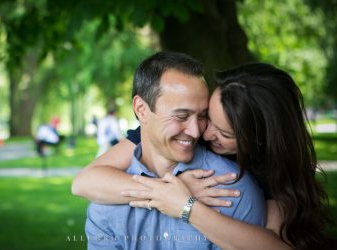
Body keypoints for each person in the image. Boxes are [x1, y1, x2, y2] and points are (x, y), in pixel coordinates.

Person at [72, 62, 333, 249]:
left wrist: (187, 207)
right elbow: (84, 182)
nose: (202, 134)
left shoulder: (270, 173)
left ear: (260, 139)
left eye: (224, 133)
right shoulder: (169, 129)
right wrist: (168, 188)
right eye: (209, 117)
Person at [76, 51, 266, 249]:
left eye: (202, 116)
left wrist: (185, 205)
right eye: (182, 116)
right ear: (141, 110)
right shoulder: (105, 203)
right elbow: (82, 182)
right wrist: (164, 190)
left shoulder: (232, 189)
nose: (196, 132)